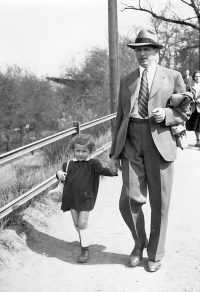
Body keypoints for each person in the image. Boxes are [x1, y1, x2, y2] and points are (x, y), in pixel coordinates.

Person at [109, 29, 191, 272]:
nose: (142, 53)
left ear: (157, 52)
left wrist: (166, 114)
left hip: (160, 142)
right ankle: (139, 242)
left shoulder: (173, 76)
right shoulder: (127, 80)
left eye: (147, 49)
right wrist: (114, 154)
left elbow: (184, 112)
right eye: (138, 49)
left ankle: (155, 253)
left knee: (160, 202)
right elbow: (120, 117)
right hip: (132, 140)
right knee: (128, 201)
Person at [55, 134, 117, 263]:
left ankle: (85, 249)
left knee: (83, 223)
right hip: (71, 198)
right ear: (73, 150)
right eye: (78, 151)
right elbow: (62, 175)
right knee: (77, 224)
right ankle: (84, 239)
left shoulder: (93, 164)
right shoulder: (68, 164)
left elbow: (104, 171)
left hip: (86, 198)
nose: (81, 154)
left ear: (90, 151)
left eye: (84, 151)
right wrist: (58, 173)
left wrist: (114, 171)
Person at [186, 71, 200, 147]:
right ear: (194, 77)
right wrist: (191, 100)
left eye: (199, 76)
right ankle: (198, 141)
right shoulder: (190, 87)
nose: (198, 78)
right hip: (194, 108)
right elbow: (186, 95)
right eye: (196, 76)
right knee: (197, 126)